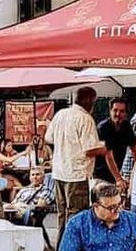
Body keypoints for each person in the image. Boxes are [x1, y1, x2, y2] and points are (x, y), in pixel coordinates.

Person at [44, 85, 107, 236]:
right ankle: (71, 250)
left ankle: (61, 248)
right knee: (75, 213)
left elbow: (48, 138)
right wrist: (106, 148)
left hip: (59, 171)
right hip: (77, 174)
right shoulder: (85, 119)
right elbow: (90, 149)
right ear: (91, 100)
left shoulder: (60, 114)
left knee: (62, 213)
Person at [95, 98, 136, 186]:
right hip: (99, 176)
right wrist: (118, 179)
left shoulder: (126, 126)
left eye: (122, 111)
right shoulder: (103, 127)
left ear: (126, 113)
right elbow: (108, 155)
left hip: (116, 174)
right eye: (115, 110)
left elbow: (135, 150)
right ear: (110, 111)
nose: (118, 114)